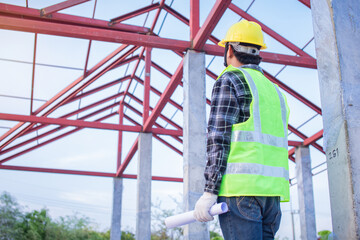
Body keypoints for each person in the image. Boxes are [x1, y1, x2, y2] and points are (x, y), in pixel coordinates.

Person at [193, 20, 290, 240]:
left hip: (240, 193)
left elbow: (219, 137)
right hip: (272, 197)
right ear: (258, 53)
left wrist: (209, 191)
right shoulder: (276, 92)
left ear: (229, 50)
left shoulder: (230, 78)